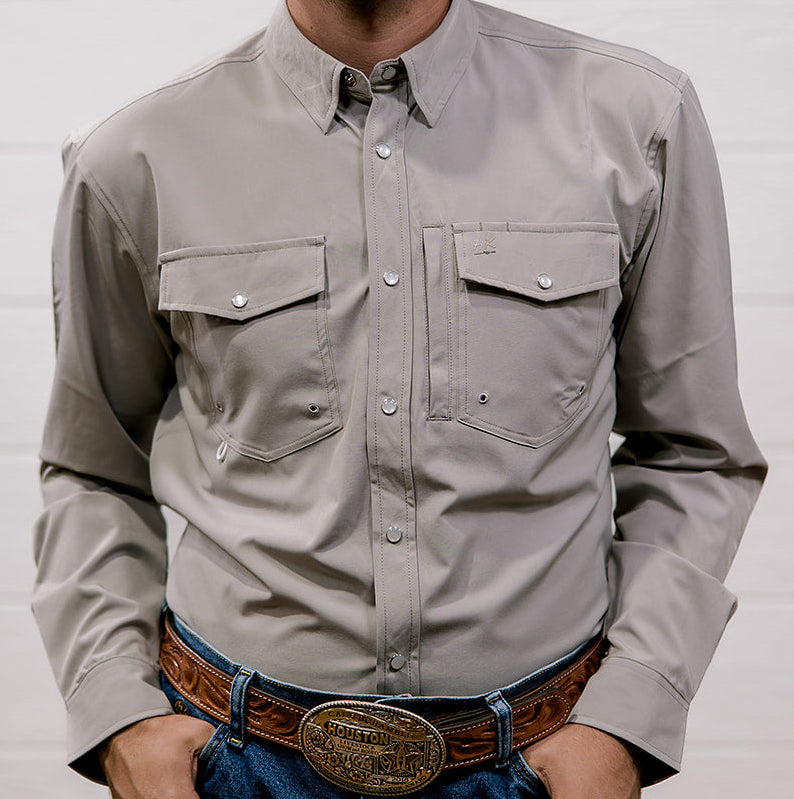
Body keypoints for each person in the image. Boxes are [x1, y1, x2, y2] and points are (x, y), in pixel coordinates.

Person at [32, 0, 767, 797]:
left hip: (541, 760)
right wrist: (120, 716)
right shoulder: (136, 154)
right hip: (235, 763)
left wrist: (626, 722)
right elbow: (91, 468)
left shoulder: (635, 120)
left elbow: (696, 453)